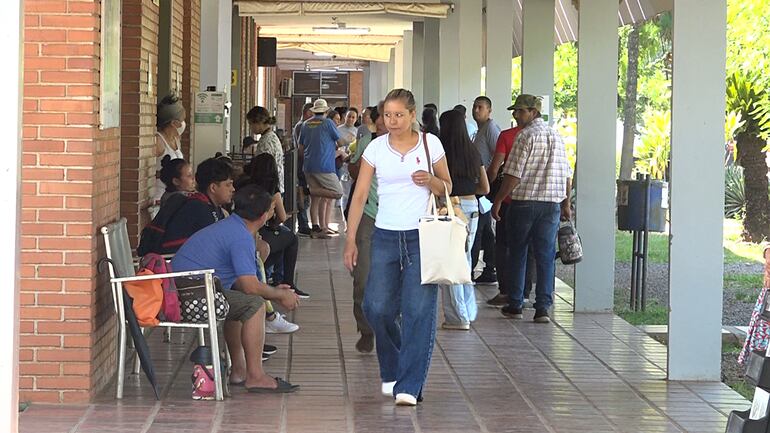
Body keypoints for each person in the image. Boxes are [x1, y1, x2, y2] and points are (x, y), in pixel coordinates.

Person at [344, 89, 452, 407]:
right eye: (387, 116)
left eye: (398, 115)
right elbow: (360, 195)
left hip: (423, 237)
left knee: (418, 311)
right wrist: (350, 240)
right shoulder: (376, 148)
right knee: (375, 307)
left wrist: (431, 181)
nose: (392, 121)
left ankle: (410, 384)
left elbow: (448, 186)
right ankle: (393, 368)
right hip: (385, 237)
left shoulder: (431, 144)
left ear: (412, 114)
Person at [171, 185, 301, 393]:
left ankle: (239, 370)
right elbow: (250, 287)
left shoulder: (232, 226)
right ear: (264, 215)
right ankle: (255, 376)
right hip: (188, 297)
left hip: (182, 290)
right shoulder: (240, 237)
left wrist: (274, 290)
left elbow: (242, 283)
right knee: (254, 305)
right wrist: (279, 295)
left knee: (241, 301)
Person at [491, 94, 573, 324]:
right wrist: (565, 203)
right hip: (551, 206)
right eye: (515, 111)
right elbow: (567, 173)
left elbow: (513, 174)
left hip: (524, 203)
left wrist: (498, 200)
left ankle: (516, 303)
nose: (516, 116)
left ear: (533, 112)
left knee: (518, 252)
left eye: (520, 111)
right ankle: (543, 308)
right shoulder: (557, 136)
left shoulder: (524, 136)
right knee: (545, 256)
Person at [437, 109, 489, 330]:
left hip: (450, 208)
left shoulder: (441, 153)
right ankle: (468, 310)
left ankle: (458, 316)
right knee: (465, 260)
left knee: (451, 262)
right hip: (472, 207)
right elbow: (485, 187)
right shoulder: (473, 152)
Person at [237, 153, 310, 300]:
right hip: (262, 230)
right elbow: (281, 217)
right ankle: (286, 281)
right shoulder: (271, 188)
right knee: (290, 238)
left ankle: (269, 275)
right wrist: (274, 221)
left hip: (241, 228)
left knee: (281, 237)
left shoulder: (243, 184)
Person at [347, 102, 387, 353]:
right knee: (362, 279)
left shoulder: (417, 146)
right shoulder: (369, 143)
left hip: (402, 222)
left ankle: (392, 330)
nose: (387, 121)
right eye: (383, 116)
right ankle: (366, 329)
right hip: (370, 217)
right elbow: (355, 176)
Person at [485, 109, 524, 307]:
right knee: (527, 248)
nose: (516, 114)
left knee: (502, 245)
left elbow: (494, 167)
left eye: (518, 110)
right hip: (535, 200)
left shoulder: (508, 136)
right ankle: (525, 292)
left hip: (508, 199)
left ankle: (505, 291)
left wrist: (490, 192)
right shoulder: (549, 136)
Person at [299, 99, 345, 239]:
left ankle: (316, 229)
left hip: (308, 165)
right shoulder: (328, 123)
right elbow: (341, 142)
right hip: (324, 166)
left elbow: (301, 148)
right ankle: (304, 191)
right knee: (338, 192)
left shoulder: (305, 124)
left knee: (316, 199)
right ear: (326, 112)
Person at [470, 96, 502, 285]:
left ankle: (483, 267)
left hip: (485, 189)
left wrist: (488, 183)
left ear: (489, 110)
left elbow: (498, 156)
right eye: (474, 107)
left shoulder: (490, 129)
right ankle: (490, 267)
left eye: (480, 107)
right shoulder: (478, 130)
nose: (476, 110)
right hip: (480, 188)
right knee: (486, 231)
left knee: (481, 229)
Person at [150, 95, 186, 217]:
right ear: (173, 123)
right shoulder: (158, 141)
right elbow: (147, 171)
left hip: (175, 197)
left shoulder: (176, 139)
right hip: (160, 197)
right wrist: (166, 174)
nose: (183, 123)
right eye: (181, 120)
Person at [246, 106, 285, 193]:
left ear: (258, 122)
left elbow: (262, 166)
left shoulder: (266, 141)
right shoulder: (272, 137)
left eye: (251, 124)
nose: (250, 127)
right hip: (276, 185)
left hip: (269, 188)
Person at [294, 102, 315, 236]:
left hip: (303, 163)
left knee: (305, 194)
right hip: (302, 164)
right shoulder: (302, 126)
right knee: (302, 193)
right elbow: (302, 146)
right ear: (307, 112)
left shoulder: (301, 125)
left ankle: (304, 222)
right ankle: (303, 223)